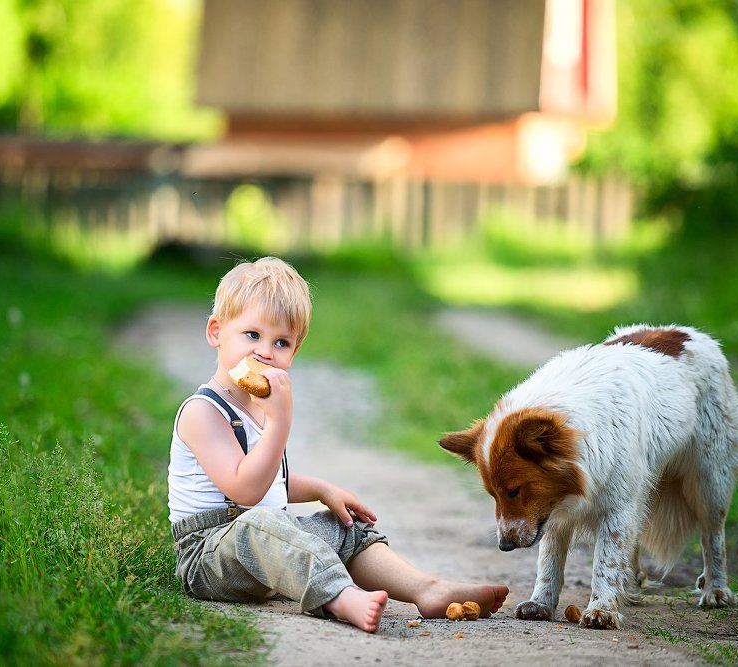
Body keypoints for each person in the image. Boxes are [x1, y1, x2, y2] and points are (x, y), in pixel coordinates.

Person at [168, 257, 508, 632]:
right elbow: (245, 490)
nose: (265, 351)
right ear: (216, 332)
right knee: (262, 525)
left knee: (343, 526)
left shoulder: (259, 408)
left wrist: (320, 489)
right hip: (209, 556)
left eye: (281, 342)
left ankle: (426, 589)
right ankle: (341, 597)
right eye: (252, 335)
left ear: (294, 351)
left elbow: (269, 480)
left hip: (263, 539)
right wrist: (280, 423)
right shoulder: (203, 412)